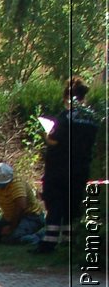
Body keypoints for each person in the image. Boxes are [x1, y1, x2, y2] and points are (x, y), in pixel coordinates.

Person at [35, 77, 101, 255]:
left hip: (59, 168)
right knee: (72, 206)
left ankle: (48, 243)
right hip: (81, 169)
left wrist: (46, 135)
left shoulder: (66, 116)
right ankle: (68, 244)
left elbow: (54, 140)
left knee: (55, 204)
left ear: (67, 98)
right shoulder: (91, 117)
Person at [0, 162, 45, 245]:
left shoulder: (16, 183)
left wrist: (12, 227)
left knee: (12, 238)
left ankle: (41, 236)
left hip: (31, 216)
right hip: (10, 216)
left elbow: (21, 206)